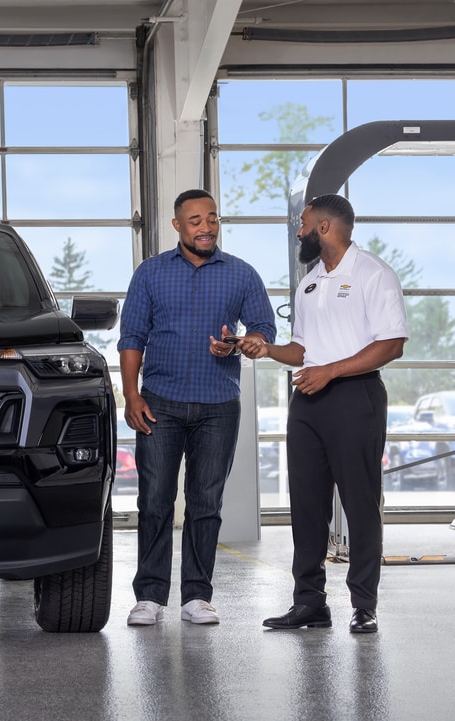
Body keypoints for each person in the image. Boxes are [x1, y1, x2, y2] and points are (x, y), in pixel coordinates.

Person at [241, 193, 408, 634]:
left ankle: (364, 604)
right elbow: (301, 350)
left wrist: (331, 371)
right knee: (307, 506)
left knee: (360, 503)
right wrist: (266, 349)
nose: (299, 230)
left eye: (304, 223)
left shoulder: (374, 274)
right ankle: (310, 603)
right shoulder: (309, 282)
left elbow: (391, 343)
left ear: (325, 227)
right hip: (308, 403)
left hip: (356, 398)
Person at [119, 189, 276, 626]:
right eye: (195, 220)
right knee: (154, 500)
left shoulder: (242, 275)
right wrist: (131, 395)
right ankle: (149, 596)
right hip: (159, 405)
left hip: (218, 407)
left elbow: (263, 328)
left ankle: (197, 596)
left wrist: (240, 345)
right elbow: (131, 337)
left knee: (206, 503)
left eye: (212, 218)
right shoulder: (150, 274)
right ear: (177, 226)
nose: (206, 227)